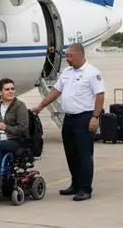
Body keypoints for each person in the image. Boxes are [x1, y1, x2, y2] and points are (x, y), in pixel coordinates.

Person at [32, 42, 105, 201]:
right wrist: (40, 106)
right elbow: (55, 91)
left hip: (85, 118)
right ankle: (76, 184)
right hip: (69, 118)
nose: (67, 58)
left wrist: (95, 117)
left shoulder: (92, 73)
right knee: (71, 153)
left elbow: (100, 95)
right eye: (67, 55)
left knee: (84, 155)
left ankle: (85, 188)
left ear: (80, 54)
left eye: (70, 56)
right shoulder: (67, 72)